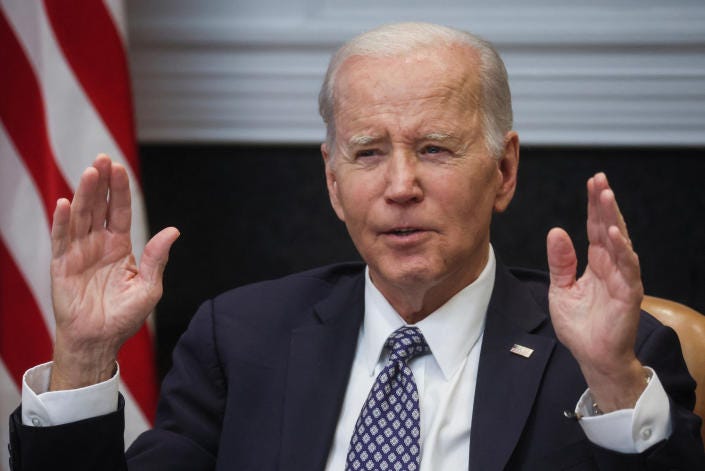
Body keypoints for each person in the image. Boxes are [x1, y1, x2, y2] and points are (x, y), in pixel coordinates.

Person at [8, 22, 704, 470]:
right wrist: (85, 356)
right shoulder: (240, 338)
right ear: (333, 182)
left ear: (502, 170)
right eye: (368, 152)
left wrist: (612, 382)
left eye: (434, 148)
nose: (400, 185)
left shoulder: (612, 355)